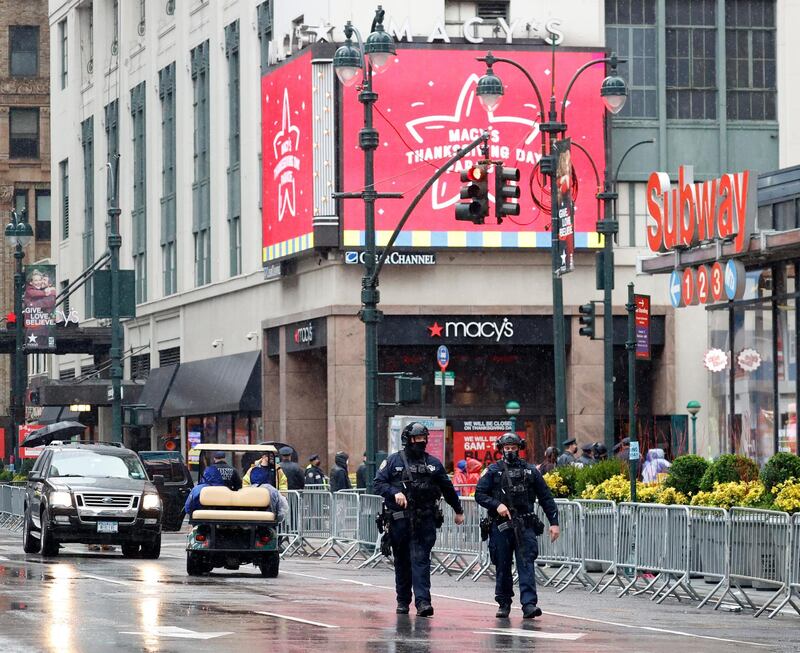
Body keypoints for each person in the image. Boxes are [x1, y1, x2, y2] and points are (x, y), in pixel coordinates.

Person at [374, 422, 465, 617]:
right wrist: (394, 492)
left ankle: (423, 602)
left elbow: (447, 488)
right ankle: (403, 601)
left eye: (423, 439)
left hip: (424, 520)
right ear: (408, 440)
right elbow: (379, 483)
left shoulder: (433, 463)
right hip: (400, 521)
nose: (420, 442)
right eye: (417, 439)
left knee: (421, 560)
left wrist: (458, 510)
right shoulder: (393, 461)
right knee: (403, 562)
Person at [475, 433, 560, 620]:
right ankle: (504, 603)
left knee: (526, 563)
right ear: (501, 449)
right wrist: (497, 505)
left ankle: (529, 604)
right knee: (503, 565)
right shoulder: (493, 471)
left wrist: (554, 523)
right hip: (501, 525)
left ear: (519, 448)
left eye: (514, 448)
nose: (510, 451)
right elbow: (479, 494)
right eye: (507, 448)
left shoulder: (530, 471)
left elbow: (546, 497)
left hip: (524, 524)